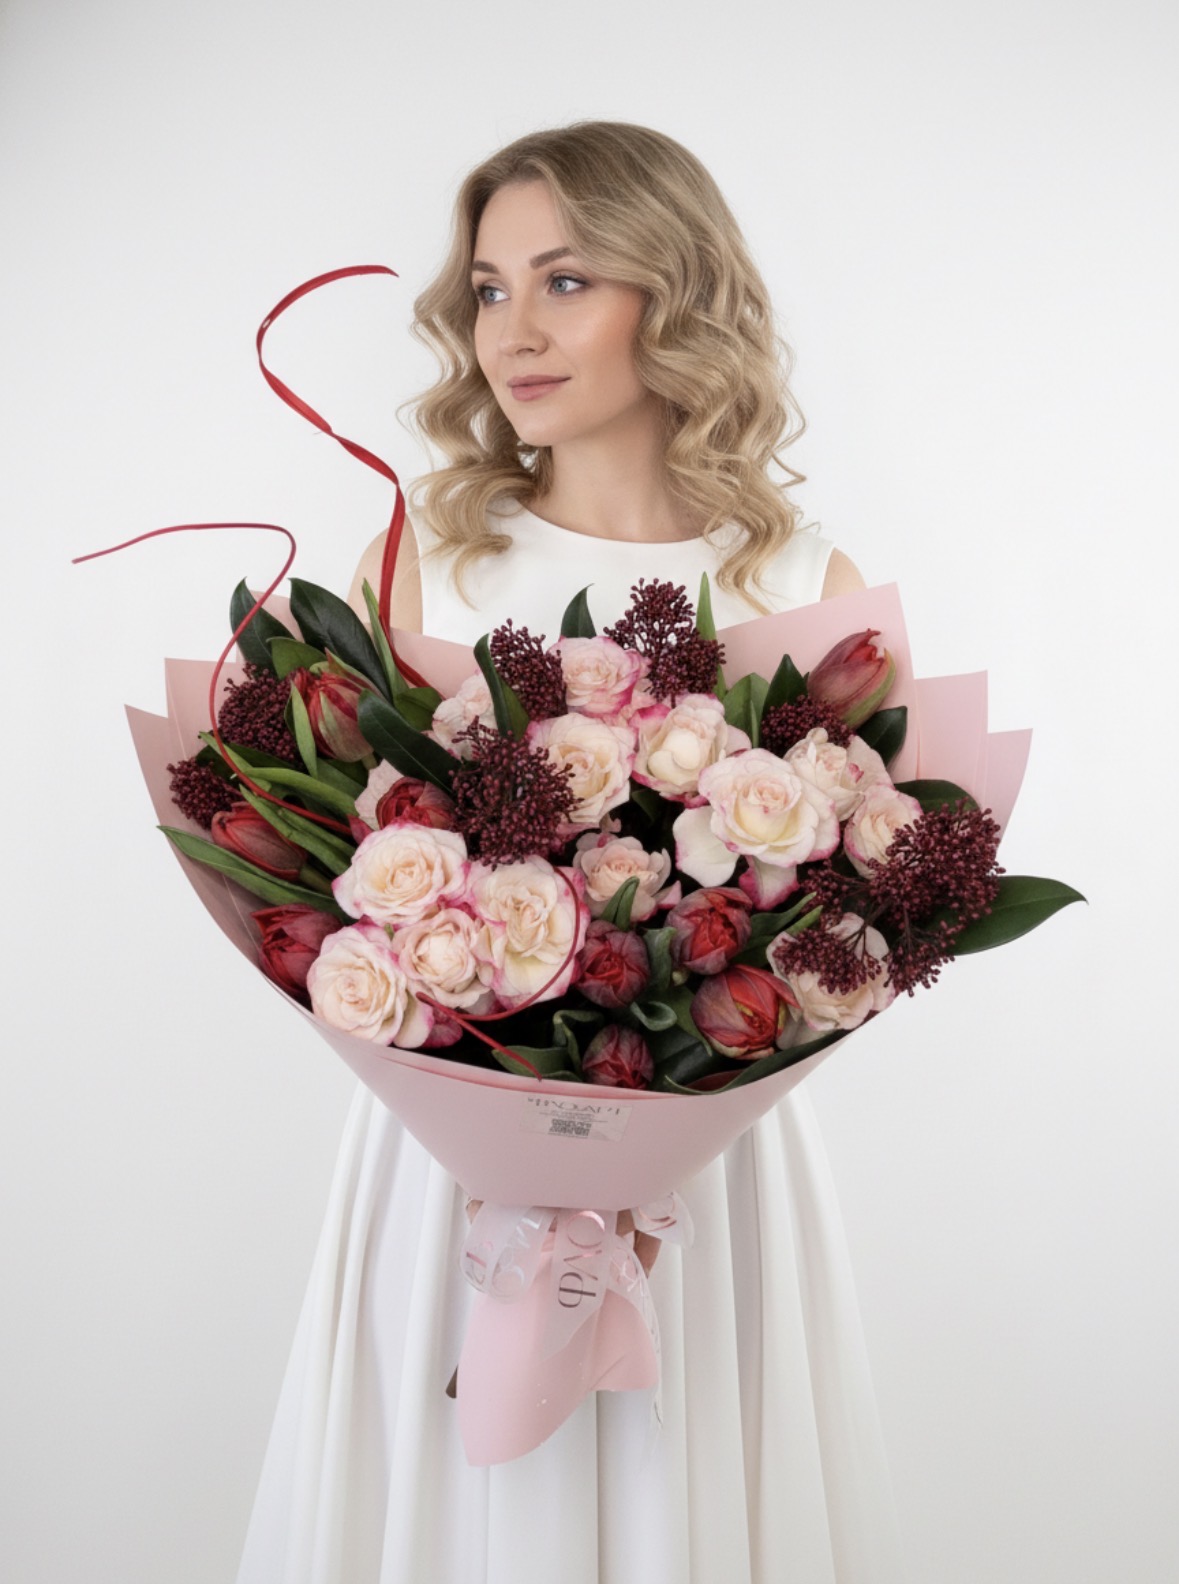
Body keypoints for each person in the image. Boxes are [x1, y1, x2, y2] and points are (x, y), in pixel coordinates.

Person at [237, 121, 907, 1584]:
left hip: (704, 1174)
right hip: (451, 1159)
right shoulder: (423, 572)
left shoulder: (802, 586)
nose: (512, 332)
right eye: (488, 289)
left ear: (675, 292)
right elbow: (327, 874)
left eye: (565, 280)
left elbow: (858, 920)